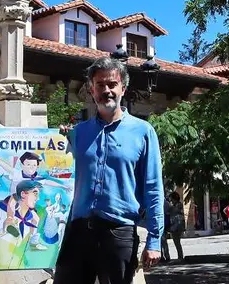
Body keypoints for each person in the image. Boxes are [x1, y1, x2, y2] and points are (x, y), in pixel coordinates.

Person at [53, 56, 164, 284]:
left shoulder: (143, 132)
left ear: (123, 88)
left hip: (118, 233)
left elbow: (153, 188)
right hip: (77, 232)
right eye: (100, 85)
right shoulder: (77, 133)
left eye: (112, 84)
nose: (107, 90)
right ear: (92, 90)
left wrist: (154, 240)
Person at [160, 192, 184, 261]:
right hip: (175, 226)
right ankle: (180, 257)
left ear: (175, 199)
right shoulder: (175, 206)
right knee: (177, 242)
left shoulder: (177, 206)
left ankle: (180, 257)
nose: (171, 201)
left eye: (172, 199)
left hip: (177, 227)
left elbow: (172, 212)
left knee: (177, 243)